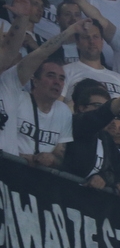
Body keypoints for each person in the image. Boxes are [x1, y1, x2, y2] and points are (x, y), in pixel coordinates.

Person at [0, 14, 83, 165]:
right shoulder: (18, 95)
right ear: (35, 81)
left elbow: (41, 53)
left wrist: (70, 31)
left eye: (61, 78)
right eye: (51, 76)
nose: (57, 82)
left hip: (11, 175)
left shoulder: (9, 83)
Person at [61, 20, 120, 103]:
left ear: (102, 41)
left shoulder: (118, 78)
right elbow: (57, 108)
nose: (91, 41)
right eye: (86, 37)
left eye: (95, 37)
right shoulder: (65, 71)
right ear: (77, 43)